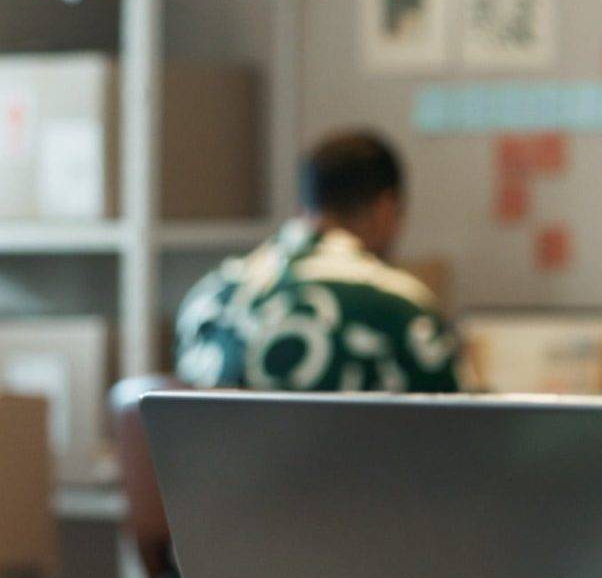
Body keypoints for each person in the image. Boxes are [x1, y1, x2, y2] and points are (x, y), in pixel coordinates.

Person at [175, 129, 460, 393]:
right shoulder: (403, 309)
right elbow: (458, 430)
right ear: (386, 209)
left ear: (302, 206)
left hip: (228, 449)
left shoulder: (208, 299)